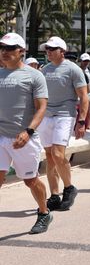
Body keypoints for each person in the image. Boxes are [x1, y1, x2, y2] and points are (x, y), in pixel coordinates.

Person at [0, 33, 52, 234]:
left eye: (10, 48)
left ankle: (44, 212)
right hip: (0, 135)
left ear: (21, 51)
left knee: (30, 180)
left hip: (23, 138)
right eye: (2, 47)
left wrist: (28, 131)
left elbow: (41, 108)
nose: (4, 52)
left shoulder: (34, 76)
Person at [40, 36, 88, 211]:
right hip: (46, 115)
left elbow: (84, 97)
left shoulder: (73, 69)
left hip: (65, 115)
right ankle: (54, 195)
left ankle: (69, 188)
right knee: (50, 156)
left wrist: (81, 121)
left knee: (58, 154)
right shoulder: (44, 70)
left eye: (52, 49)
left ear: (62, 51)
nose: (48, 52)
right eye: (47, 49)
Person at [78, 53, 90, 129]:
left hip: (89, 94)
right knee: (80, 111)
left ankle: (87, 127)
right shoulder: (77, 70)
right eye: (84, 61)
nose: (86, 63)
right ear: (81, 61)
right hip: (80, 94)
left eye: (87, 61)